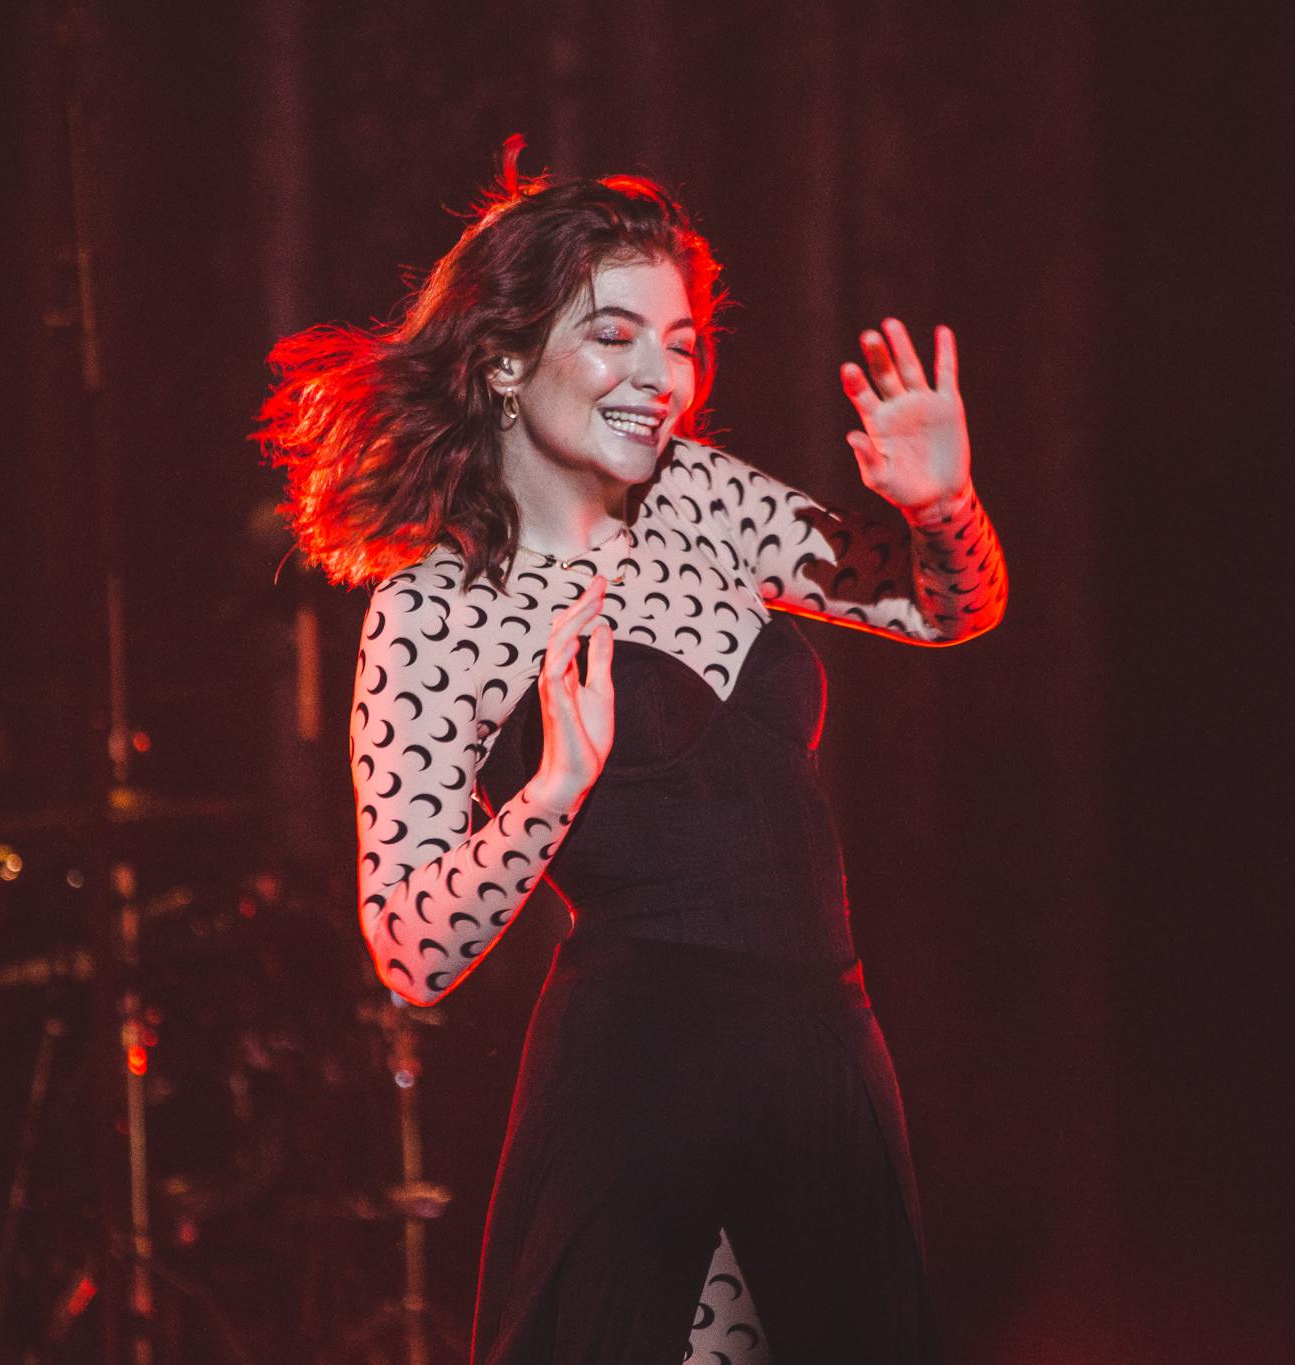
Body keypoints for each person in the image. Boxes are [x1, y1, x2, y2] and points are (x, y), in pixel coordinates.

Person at [259, 148, 1006, 1363]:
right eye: (614, 335)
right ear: (503, 360)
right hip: (638, 1084)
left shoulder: (700, 498)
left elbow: (939, 608)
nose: (661, 377)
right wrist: (549, 791)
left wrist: (941, 506)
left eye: (682, 343)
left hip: (822, 1058)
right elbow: (407, 954)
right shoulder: (438, 610)